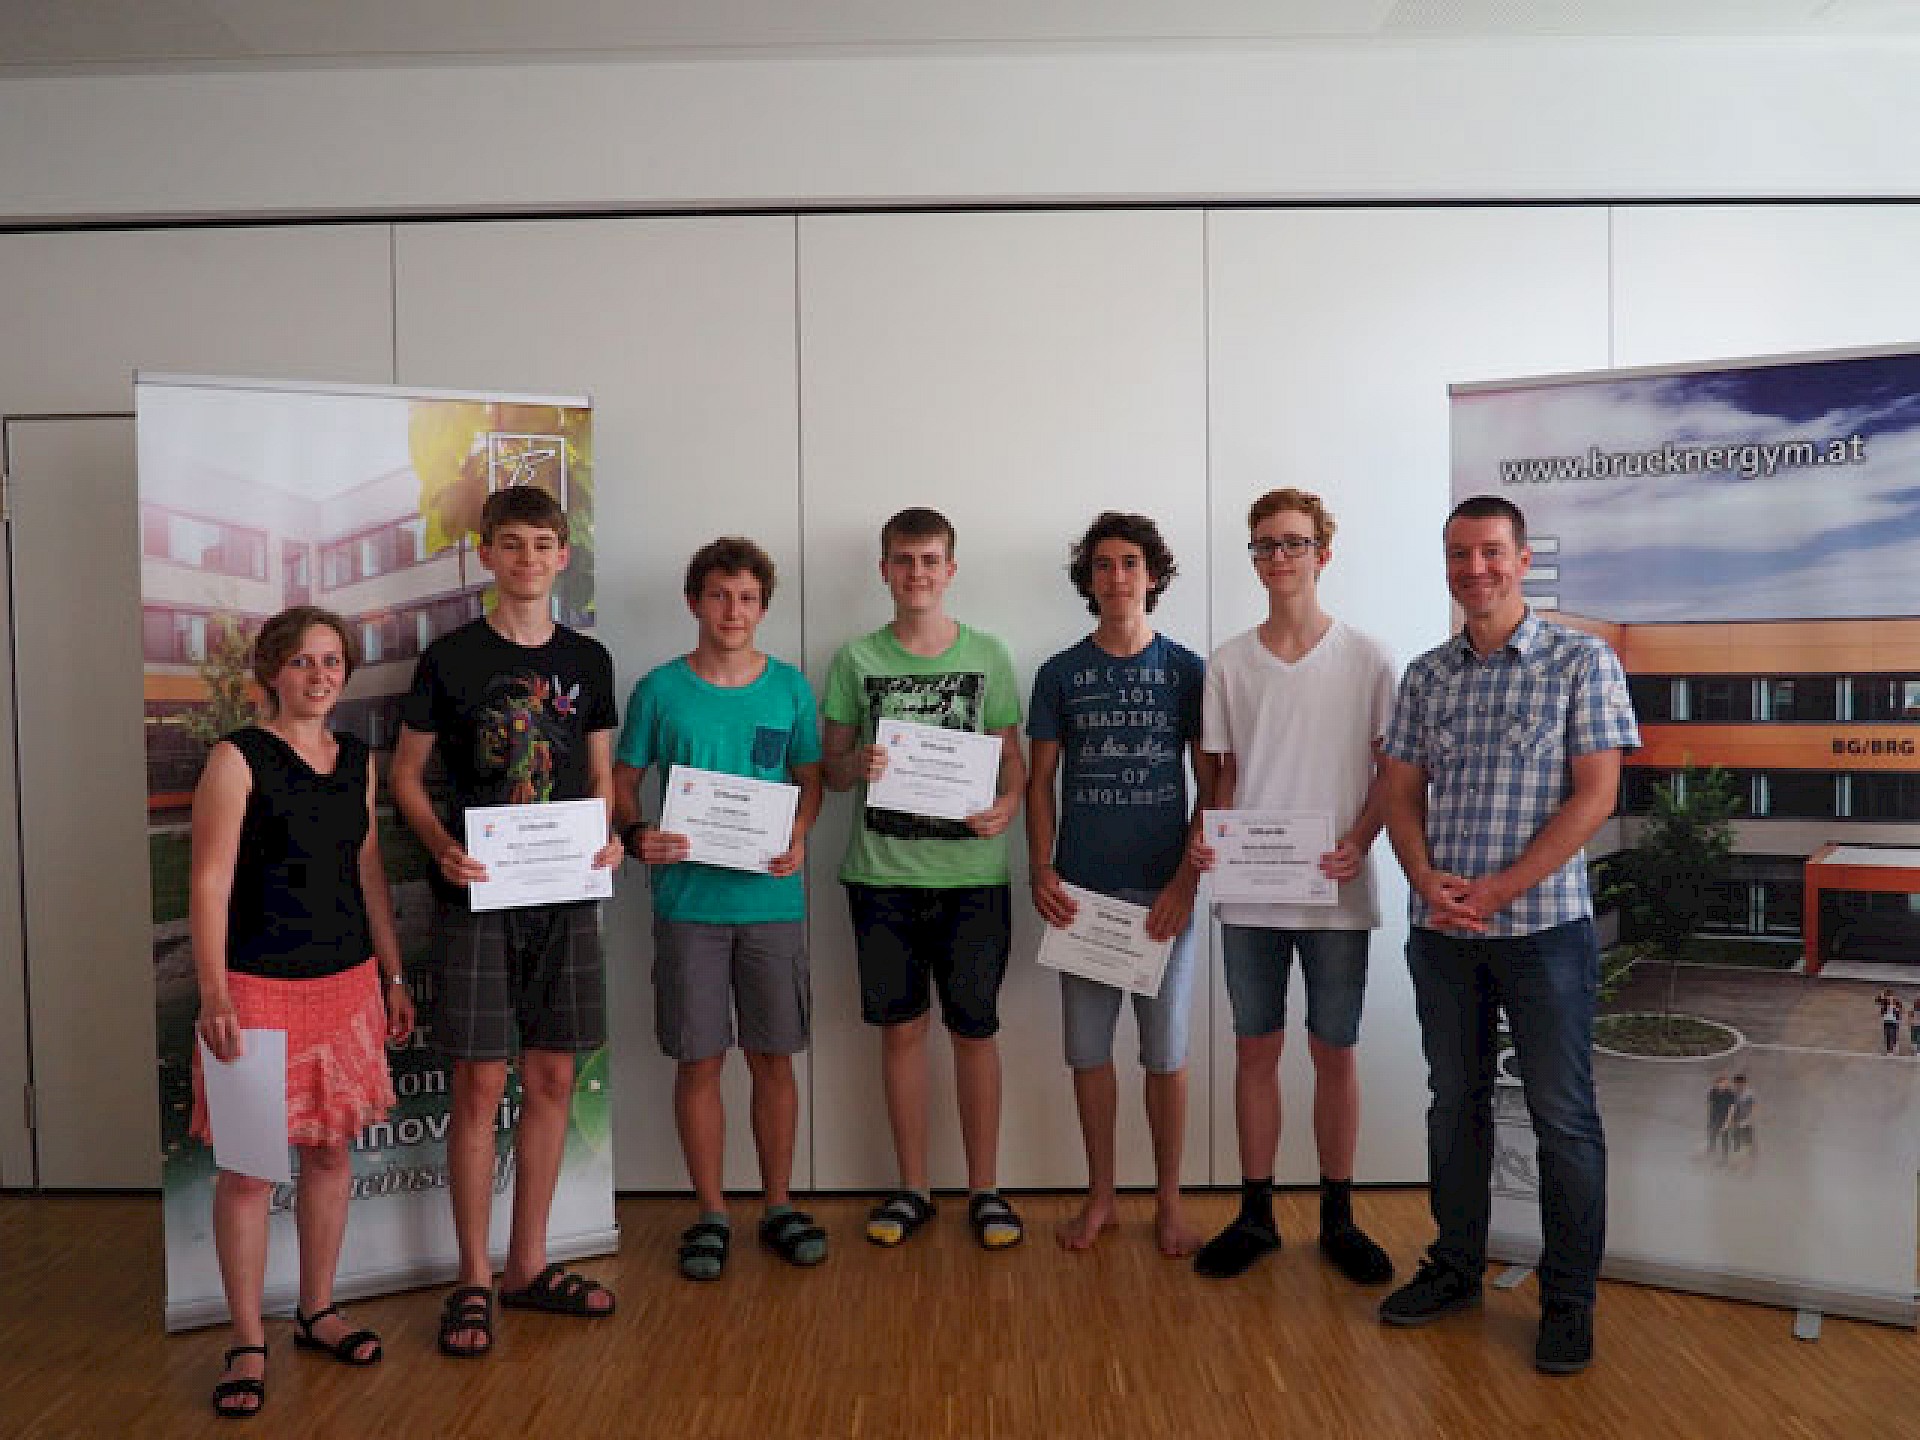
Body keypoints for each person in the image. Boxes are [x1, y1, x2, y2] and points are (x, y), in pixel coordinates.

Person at [1377, 493, 1639, 1377]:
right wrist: (1424, 878)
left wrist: (1499, 890)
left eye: (1491, 551)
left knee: (1563, 1118)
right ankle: (1455, 1269)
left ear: (1524, 559)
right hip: (1443, 932)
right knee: (1455, 1105)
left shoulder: (1581, 662)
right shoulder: (1426, 675)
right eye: (1459, 554)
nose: (1474, 569)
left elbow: (1596, 796)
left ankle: (1568, 1303)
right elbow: (1398, 792)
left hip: (1543, 933)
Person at [390, 485, 625, 1359]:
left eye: (542, 544)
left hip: (564, 895)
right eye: (512, 544)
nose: (528, 559)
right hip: (478, 895)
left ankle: (528, 1265)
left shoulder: (589, 660)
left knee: (554, 1076)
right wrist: (442, 847)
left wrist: (608, 840)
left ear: (563, 556)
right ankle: (472, 1278)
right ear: (486, 554)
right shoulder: (448, 659)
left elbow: (600, 777)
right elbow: (405, 777)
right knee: (479, 1085)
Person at [189, 607, 414, 1419]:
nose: (319, 676)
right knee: (249, 1173)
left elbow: (368, 870)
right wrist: (214, 991)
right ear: (273, 673)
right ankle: (247, 1341)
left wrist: (392, 973)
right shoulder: (236, 758)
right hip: (256, 989)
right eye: (302, 662)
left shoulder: (356, 759)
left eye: (331, 661)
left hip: (347, 985)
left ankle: (317, 1311)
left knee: (328, 1155)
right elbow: (209, 882)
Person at [1186, 488, 1397, 1287]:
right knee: (1254, 1050)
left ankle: (1339, 1218)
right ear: (1254, 558)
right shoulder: (1228, 663)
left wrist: (1360, 841)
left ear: (1322, 554)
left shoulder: (1369, 659)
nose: (1279, 556)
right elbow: (1223, 774)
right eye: (1266, 545)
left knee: (1334, 1050)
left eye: (1294, 543)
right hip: (1250, 893)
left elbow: (1392, 772)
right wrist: (1209, 833)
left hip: (1336, 889)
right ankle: (1256, 1215)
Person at [613, 537, 827, 1280]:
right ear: (693, 602)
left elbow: (809, 779)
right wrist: (637, 834)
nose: (733, 611)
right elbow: (623, 780)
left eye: (747, 598)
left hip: (771, 899)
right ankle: (710, 1212)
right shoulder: (659, 690)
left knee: (773, 1057)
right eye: (719, 596)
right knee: (698, 1059)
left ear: (763, 607)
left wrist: (799, 834)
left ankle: (778, 1204)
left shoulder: (790, 688)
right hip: (688, 904)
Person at [821, 506, 1028, 1250]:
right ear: (884, 569)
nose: (917, 573)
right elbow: (830, 770)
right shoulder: (855, 659)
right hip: (882, 877)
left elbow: (1012, 760)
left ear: (950, 569)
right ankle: (912, 1188)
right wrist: (857, 764)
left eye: (930, 560)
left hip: (973, 877)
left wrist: (1008, 805)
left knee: (976, 1032)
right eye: (904, 560)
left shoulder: (990, 654)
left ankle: (986, 1191)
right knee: (902, 1033)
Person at [1025, 512, 1208, 1255]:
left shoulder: (1188, 671)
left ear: (1153, 575)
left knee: (1165, 1056)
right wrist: (1041, 869)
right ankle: (1100, 1197)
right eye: (1103, 564)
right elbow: (1039, 783)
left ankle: (1169, 1203)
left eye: (1130, 562)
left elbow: (1214, 787)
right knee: (1088, 1055)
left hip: (1165, 896)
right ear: (1088, 579)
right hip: (1083, 896)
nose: (1117, 576)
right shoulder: (1059, 674)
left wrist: (1185, 884)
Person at [1704, 1073, 1736, 1163]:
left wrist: (1727, 1122)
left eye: (1726, 1083)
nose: (1724, 1085)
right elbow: (1709, 1105)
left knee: (1724, 1138)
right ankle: (1711, 1150)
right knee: (1712, 1134)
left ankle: (1725, 1158)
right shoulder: (1712, 1092)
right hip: (1714, 1117)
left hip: (1725, 1118)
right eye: (1722, 1083)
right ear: (1717, 1083)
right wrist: (1709, 1118)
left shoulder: (1730, 1094)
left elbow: (1732, 1108)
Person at [1877, 989, 1902, 1055]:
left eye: (1890, 996)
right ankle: (1889, 1049)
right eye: (1887, 996)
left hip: (1894, 1020)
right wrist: (1882, 995)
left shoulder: (1896, 1002)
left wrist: (1897, 1009)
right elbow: (1877, 1000)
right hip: (1886, 1020)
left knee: (1893, 1034)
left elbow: (1900, 1009)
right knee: (1887, 1034)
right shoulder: (1884, 1002)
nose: (1889, 998)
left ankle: (1894, 1046)